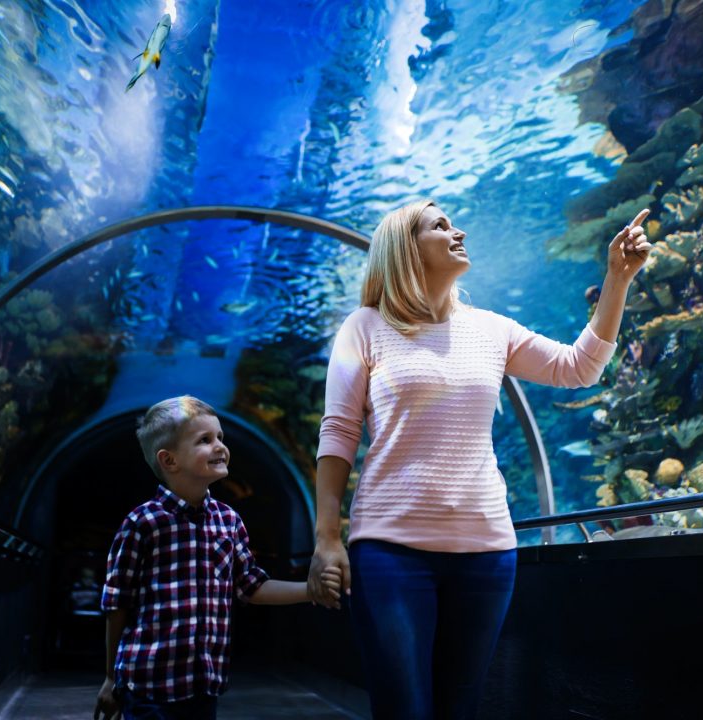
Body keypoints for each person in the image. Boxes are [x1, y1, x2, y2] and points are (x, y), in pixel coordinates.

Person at [308, 200, 651, 718]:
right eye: (440, 226)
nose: (458, 230)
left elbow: (579, 368)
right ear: (405, 249)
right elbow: (339, 430)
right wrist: (327, 538)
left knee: (461, 708)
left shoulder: (492, 329)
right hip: (390, 551)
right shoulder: (365, 326)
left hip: (487, 552)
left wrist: (617, 279)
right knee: (404, 709)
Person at [94, 396, 342, 720]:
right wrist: (112, 677)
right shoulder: (143, 523)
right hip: (149, 685)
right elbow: (117, 603)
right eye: (204, 440)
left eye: (220, 437)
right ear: (169, 461)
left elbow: (251, 586)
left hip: (204, 685)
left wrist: (310, 591)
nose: (220, 446)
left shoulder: (228, 521)